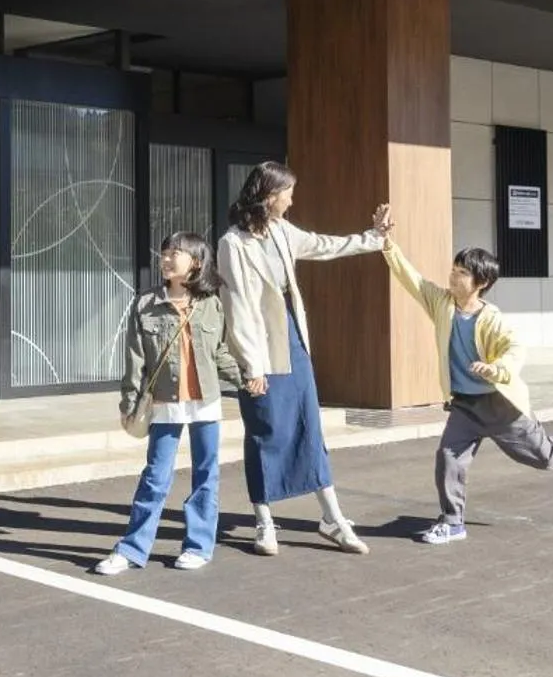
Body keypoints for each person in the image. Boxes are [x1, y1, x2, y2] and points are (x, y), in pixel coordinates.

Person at [217, 162, 391, 557]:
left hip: (292, 340)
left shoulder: (282, 231)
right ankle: (264, 522)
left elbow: (324, 245)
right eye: (288, 192)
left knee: (308, 426)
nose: (293, 199)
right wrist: (250, 366)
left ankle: (333, 518)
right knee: (265, 431)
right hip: (258, 350)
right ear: (269, 195)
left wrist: (374, 237)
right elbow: (238, 307)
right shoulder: (233, 244)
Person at [383, 240, 553, 545]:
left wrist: (498, 369)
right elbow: (411, 278)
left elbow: (514, 348)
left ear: (482, 283)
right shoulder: (441, 303)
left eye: (462, 273)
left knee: (544, 458)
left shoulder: (492, 319)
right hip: (465, 406)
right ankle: (452, 523)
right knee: (448, 458)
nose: (453, 277)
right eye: (453, 270)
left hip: (500, 405)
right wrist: (387, 244)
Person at [95, 232, 243, 576]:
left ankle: (198, 546)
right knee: (155, 477)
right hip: (164, 401)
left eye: (174, 253)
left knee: (206, 476)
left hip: (205, 401)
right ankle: (132, 549)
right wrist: (129, 403)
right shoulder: (146, 303)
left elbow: (218, 351)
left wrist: (244, 378)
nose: (165, 258)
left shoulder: (210, 303)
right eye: (164, 252)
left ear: (196, 261)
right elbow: (134, 360)